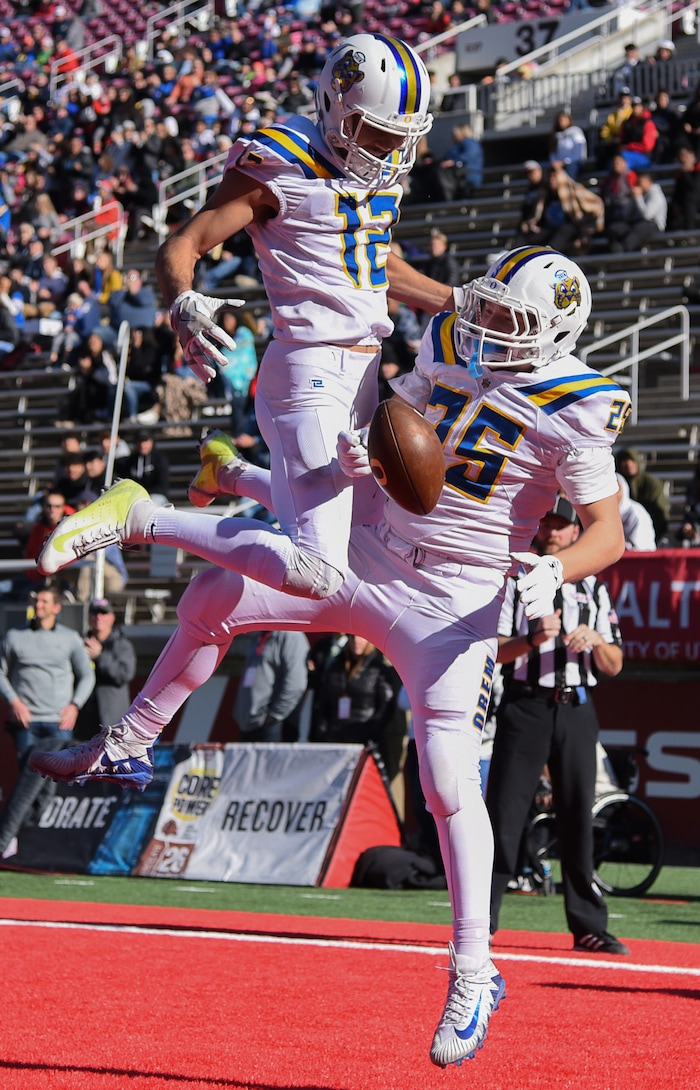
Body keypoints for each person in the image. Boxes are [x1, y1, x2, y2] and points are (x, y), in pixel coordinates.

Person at [31, 245, 630, 1068]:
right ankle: (130, 739)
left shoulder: (586, 401)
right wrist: (367, 456)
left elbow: (607, 532)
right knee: (213, 600)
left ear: (558, 331)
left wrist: (553, 567)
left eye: (510, 320)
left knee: (448, 779)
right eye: (486, 307)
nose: (487, 326)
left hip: (455, 603)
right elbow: (404, 426)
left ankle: (473, 967)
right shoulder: (452, 340)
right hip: (372, 554)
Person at [154, 33, 454, 604]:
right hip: (308, 370)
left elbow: (369, 258)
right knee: (318, 569)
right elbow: (182, 244)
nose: (391, 144)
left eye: (400, 133)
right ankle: (141, 517)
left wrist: (453, 300)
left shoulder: (376, 165)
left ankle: (230, 474)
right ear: (335, 105)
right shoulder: (279, 159)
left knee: (371, 539)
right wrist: (184, 304)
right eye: (379, 129)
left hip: (365, 372)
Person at [486, 496, 627, 955]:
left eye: (561, 526)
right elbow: (495, 650)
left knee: (578, 816)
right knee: (504, 814)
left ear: (575, 534)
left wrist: (597, 640)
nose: (551, 531)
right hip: (526, 705)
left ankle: (587, 924)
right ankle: (479, 922)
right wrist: (532, 639)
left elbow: (615, 664)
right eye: (546, 523)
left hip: (577, 708)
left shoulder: (595, 589)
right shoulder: (517, 581)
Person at [0, 587, 94, 859]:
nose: (37, 604)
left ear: (56, 608)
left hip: (58, 723)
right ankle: (15, 839)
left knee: (48, 788)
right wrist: (14, 702)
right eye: (35, 600)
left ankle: (17, 834)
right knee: (28, 784)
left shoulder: (70, 639)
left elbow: (87, 676)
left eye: (43, 601)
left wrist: (75, 705)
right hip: (26, 723)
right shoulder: (15, 636)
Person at [311, 633, 399, 770]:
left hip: (365, 742)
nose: (356, 641)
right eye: (352, 637)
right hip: (336, 740)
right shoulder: (336, 667)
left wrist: (370, 730)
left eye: (361, 637)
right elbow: (322, 703)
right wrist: (323, 731)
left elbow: (387, 706)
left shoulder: (378, 669)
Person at [233, 628, 310, 742]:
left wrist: (274, 716)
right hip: (249, 723)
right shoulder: (259, 636)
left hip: (272, 726)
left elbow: (295, 684)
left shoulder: (292, 636)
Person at [76, 598, 137, 741]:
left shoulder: (122, 645)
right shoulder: (79, 643)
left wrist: (100, 657)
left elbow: (124, 675)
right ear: (89, 617)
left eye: (103, 613)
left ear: (112, 618)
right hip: (83, 721)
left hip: (111, 721)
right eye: (95, 613)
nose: (99, 617)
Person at [614, 447, 669, 543]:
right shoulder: (617, 482)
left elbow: (660, 515)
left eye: (631, 460)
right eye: (624, 461)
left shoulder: (651, 485)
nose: (628, 464)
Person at [606, 170, 667, 253]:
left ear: (649, 182)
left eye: (641, 182)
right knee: (615, 228)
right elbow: (626, 215)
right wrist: (633, 198)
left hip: (653, 225)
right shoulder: (639, 194)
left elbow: (647, 215)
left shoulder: (656, 195)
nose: (638, 184)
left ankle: (622, 249)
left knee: (639, 229)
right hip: (636, 223)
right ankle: (613, 249)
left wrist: (638, 197)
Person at [616, 473, 657, 551]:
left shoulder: (636, 513)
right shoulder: (604, 515)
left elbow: (638, 549)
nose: (614, 494)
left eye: (617, 489)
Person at [617, 97, 658, 171]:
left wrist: (628, 147)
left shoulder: (648, 123)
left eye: (638, 106)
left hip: (644, 156)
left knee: (622, 160)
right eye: (634, 106)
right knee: (615, 160)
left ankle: (622, 181)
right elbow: (622, 139)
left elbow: (647, 146)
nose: (636, 109)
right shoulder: (628, 123)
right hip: (627, 153)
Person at [549, 111, 587, 180]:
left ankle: (569, 187)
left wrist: (565, 162)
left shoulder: (576, 132)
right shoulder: (556, 136)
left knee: (570, 168)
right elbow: (553, 152)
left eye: (564, 119)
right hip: (559, 164)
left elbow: (579, 153)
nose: (562, 122)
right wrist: (555, 163)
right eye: (560, 120)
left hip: (573, 163)